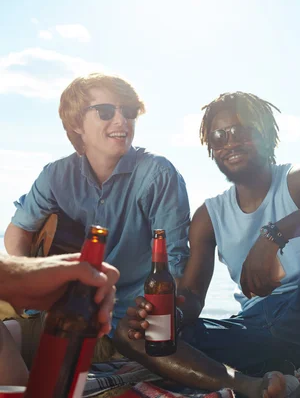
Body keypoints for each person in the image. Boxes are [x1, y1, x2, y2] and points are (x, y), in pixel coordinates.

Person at [113, 91, 300, 398]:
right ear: (211, 148)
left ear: (265, 135)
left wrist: (273, 236)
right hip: (251, 328)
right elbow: (192, 298)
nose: (231, 142)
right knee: (129, 332)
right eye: (219, 135)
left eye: (242, 131)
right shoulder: (208, 216)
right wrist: (164, 314)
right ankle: (250, 386)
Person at [3, 73, 190, 366]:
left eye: (128, 112)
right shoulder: (55, 175)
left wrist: (160, 316)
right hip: (52, 311)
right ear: (77, 124)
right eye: (106, 112)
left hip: (118, 325)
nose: (121, 121)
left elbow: (175, 265)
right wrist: (33, 285)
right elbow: (17, 232)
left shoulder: (157, 174)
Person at [0, 252, 119, 386]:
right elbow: (18, 233)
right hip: (43, 311)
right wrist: (17, 271)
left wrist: (14, 274)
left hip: (93, 328)